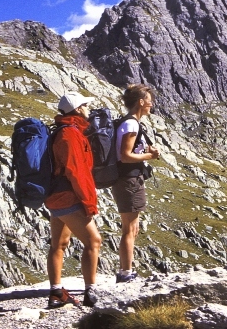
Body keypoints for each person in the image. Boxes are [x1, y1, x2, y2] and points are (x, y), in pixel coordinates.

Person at [45, 91, 102, 308]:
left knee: (59, 244)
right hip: (68, 197)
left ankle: (56, 293)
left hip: (55, 196)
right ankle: (91, 293)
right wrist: (89, 203)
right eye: (86, 105)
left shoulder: (63, 130)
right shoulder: (70, 134)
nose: (88, 109)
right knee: (93, 241)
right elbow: (77, 171)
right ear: (78, 109)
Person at [112, 84, 160, 283]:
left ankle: (127, 271)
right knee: (130, 229)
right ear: (141, 102)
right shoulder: (131, 124)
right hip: (129, 179)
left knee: (133, 228)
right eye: (149, 100)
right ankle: (125, 273)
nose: (152, 104)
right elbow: (125, 155)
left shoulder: (128, 123)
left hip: (128, 179)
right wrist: (150, 155)